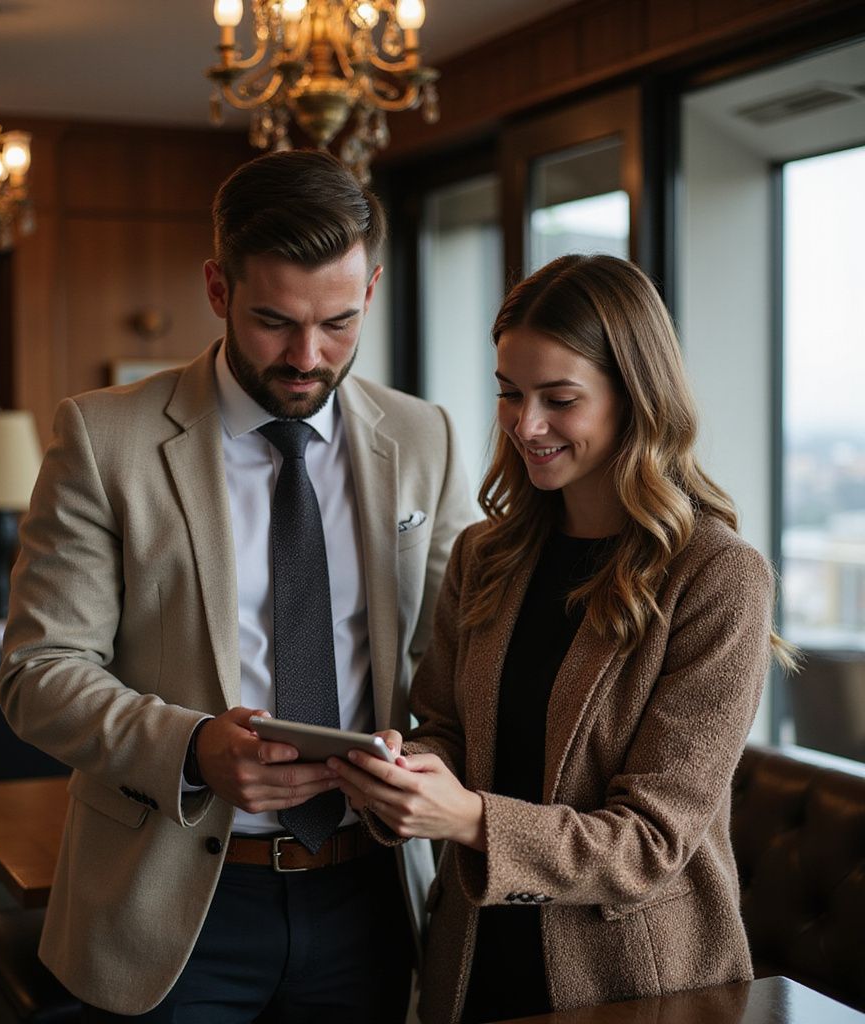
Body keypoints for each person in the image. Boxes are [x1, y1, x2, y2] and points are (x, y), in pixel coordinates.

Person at [0, 150, 474, 1022]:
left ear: (370, 289)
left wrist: (430, 760)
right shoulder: (104, 438)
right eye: (273, 322)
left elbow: (444, 658)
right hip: (170, 906)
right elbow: (39, 674)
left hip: (366, 896)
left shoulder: (424, 436)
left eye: (337, 322)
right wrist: (193, 750)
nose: (307, 356)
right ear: (217, 289)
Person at [330, 254, 793, 1023]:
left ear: (635, 398)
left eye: (560, 398)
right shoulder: (487, 554)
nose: (525, 424)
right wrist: (407, 770)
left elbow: (650, 844)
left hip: (637, 983)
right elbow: (448, 728)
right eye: (510, 393)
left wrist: (466, 818)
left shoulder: (718, 577)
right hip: (471, 962)